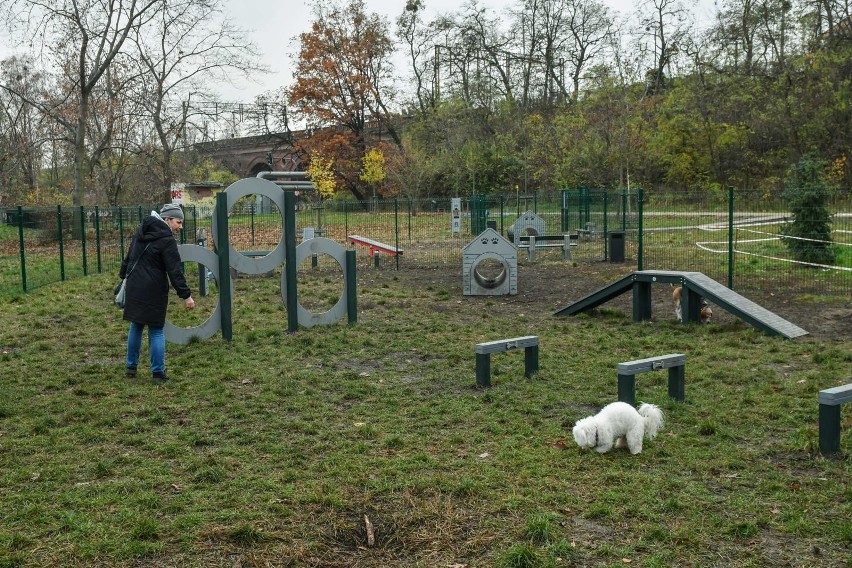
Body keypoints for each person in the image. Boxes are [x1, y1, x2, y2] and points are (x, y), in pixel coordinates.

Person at [120, 204, 195, 382]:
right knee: (156, 330)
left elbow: (129, 256)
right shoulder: (166, 239)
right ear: (167, 219)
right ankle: (158, 373)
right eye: (178, 222)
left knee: (136, 326)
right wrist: (186, 295)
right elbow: (175, 271)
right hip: (153, 289)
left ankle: (131, 367)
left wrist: (123, 276)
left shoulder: (142, 230)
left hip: (135, 285)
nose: (180, 226)